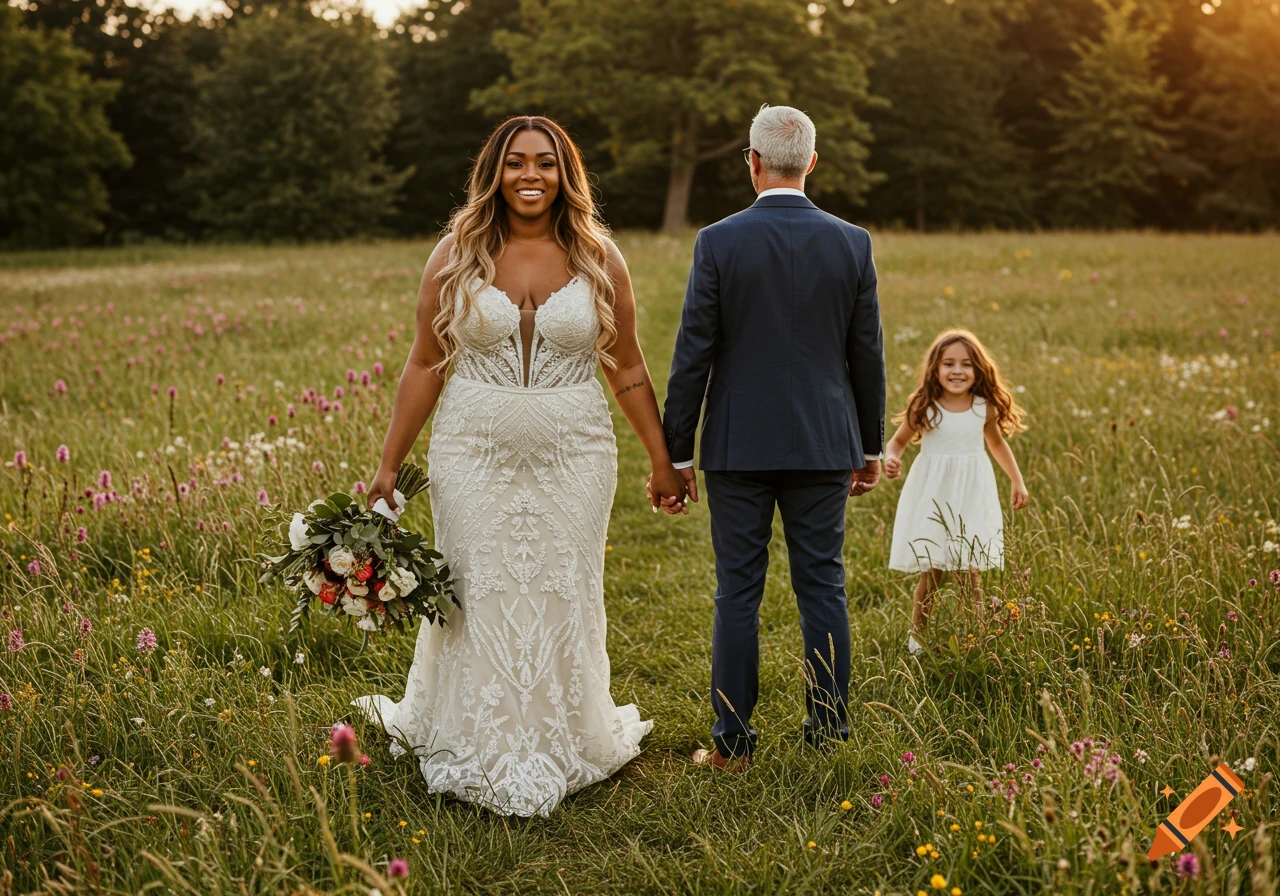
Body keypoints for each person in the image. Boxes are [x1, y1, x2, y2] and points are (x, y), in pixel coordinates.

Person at [355, 116, 684, 817]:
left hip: (576, 453)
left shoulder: (599, 256)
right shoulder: (456, 253)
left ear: (567, 174)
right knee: (478, 586)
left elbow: (625, 364)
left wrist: (662, 461)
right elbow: (424, 361)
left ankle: (560, 734)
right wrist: (389, 464)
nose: (530, 175)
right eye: (515, 163)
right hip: (472, 450)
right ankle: (478, 734)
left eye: (545, 163)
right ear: (495, 173)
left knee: (564, 585)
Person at [656, 104, 886, 771]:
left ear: (751, 162)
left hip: (737, 443)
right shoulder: (853, 242)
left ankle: (732, 743)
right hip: (824, 441)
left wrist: (677, 453)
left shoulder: (719, 241)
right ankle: (828, 735)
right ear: (812, 162)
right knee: (823, 585)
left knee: (738, 590)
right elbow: (864, 355)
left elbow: (692, 351)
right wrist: (868, 448)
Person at [883, 329, 1028, 655]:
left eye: (966, 364)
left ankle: (973, 637)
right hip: (934, 498)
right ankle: (917, 636)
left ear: (978, 369)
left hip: (970, 497)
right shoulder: (926, 406)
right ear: (935, 368)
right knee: (931, 572)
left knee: (969, 574)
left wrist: (1017, 481)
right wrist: (891, 459)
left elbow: (996, 443)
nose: (957, 371)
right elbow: (897, 442)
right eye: (949, 363)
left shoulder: (983, 407)